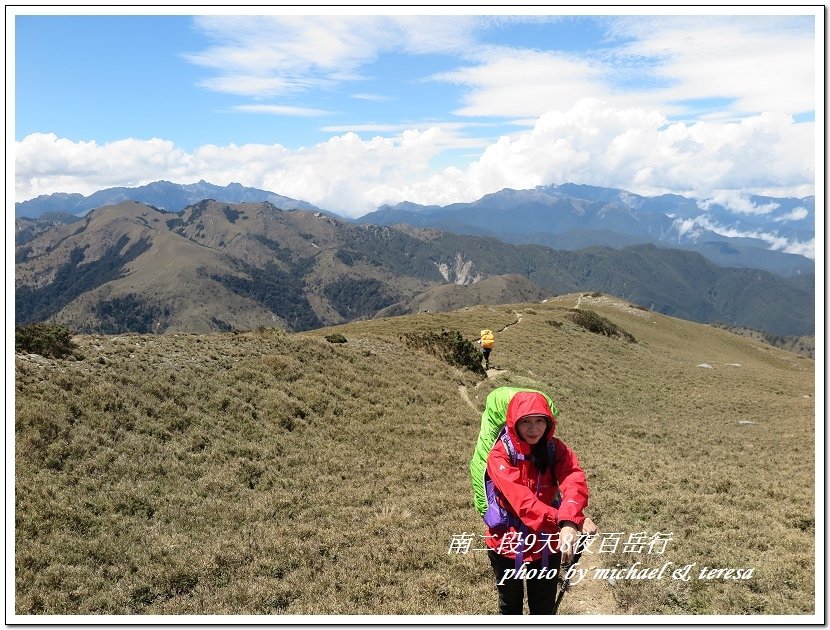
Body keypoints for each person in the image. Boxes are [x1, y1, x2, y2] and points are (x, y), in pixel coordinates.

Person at [484, 390, 590, 615]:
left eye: (540, 421)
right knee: (510, 605)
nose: (534, 429)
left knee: (543, 608)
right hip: (506, 539)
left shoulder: (555, 449)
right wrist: (564, 522)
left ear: (549, 422)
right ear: (514, 423)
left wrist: (571, 518)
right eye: (526, 422)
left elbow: (574, 478)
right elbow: (522, 500)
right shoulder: (499, 455)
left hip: (546, 543)